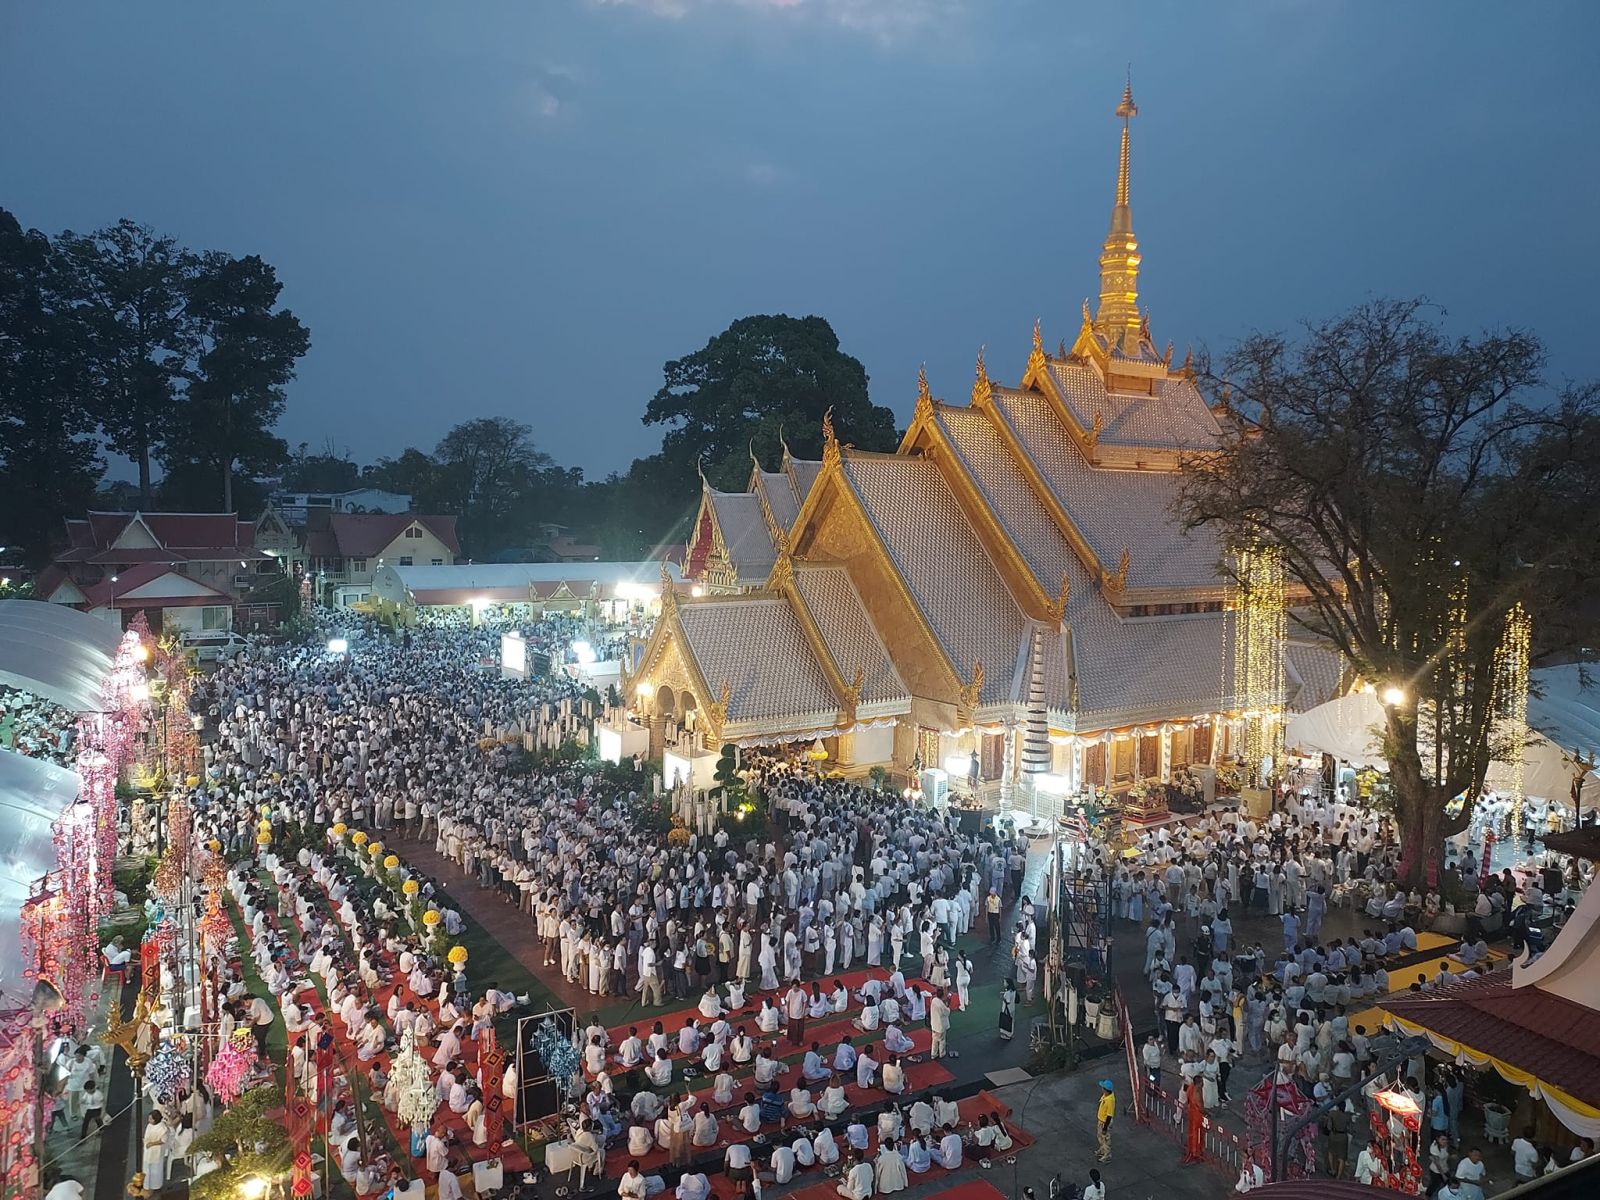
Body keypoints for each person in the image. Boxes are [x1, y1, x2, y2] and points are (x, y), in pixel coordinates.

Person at [142, 1111, 172, 1192]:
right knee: (146, 1168)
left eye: (151, 1119)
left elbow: (163, 1140)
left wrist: (152, 1143)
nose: (149, 1120)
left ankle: (155, 1186)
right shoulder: (149, 1125)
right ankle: (146, 1185)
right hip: (148, 1150)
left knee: (155, 1169)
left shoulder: (163, 1128)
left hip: (156, 1151)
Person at [1095, 1079, 1115, 1163]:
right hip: (1101, 1120)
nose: (1101, 1089)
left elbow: (1109, 1115)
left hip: (1105, 1122)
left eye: (1103, 1088)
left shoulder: (1110, 1100)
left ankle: (1107, 1155)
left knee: (1105, 1138)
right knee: (1100, 1136)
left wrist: (1105, 1128)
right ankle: (1103, 1150)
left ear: (1106, 1090)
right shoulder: (1105, 1096)